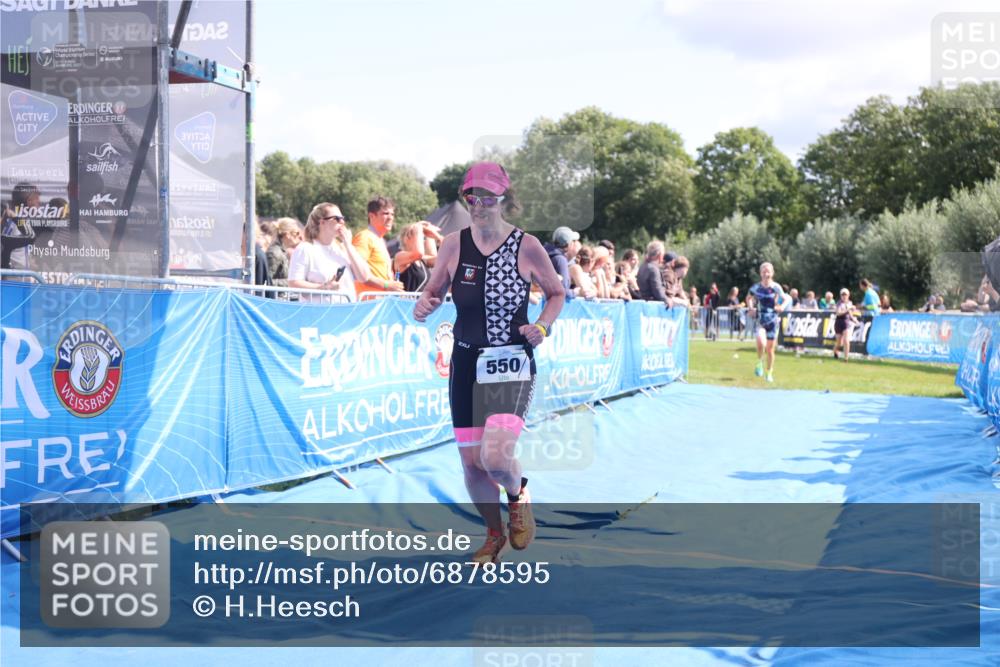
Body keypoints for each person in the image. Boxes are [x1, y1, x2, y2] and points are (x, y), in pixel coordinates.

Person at [412, 161, 565, 565]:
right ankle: (494, 534)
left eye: (487, 198)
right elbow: (433, 290)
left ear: (502, 200)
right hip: (466, 361)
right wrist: (424, 304)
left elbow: (556, 293)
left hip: (511, 360)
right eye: (472, 197)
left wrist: (543, 328)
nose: (478, 205)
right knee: (471, 462)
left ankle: (518, 495)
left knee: (495, 458)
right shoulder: (452, 243)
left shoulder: (526, 245)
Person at [289, 203, 371, 302]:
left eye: (342, 218)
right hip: (319, 314)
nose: (342, 222)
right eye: (337, 218)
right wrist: (324, 288)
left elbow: (364, 277)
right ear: (322, 222)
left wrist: (348, 245)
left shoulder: (342, 248)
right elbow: (294, 283)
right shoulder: (305, 249)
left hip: (346, 313)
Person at [353, 196, 405, 298]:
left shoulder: (380, 240)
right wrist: (387, 285)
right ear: (371, 216)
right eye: (385, 213)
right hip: (367, 305)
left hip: (380, 304)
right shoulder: (364, 237)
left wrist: (393, 287)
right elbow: (356, 271)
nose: (390, 218)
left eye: (392, 214)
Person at [748, 262, 787, 383]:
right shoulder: (755, 288)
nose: (766, 274)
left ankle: (769, 372)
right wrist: (751, 308)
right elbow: (749, 298)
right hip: (760, 319)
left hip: (773, 321)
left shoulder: (776, 287)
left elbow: (786, 298)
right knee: (761, 342)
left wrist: (782, 306)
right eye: (764, 272)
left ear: (772, 273)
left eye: (768, 272)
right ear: (760, 273)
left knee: (770, 350)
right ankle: (759, 362)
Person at [1, 182, 40, 270]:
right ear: (28, 201)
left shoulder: (20, 220)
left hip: (21, 275)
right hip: (14, 276)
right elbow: (30, 236)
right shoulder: (15, 223)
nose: (39, 201)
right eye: (36, 198)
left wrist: (30, 261)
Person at [393, 221, 441, 292]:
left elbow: (439, 259)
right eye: (420, 237)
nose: (422, 240)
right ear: (407, 238)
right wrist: (418, 228)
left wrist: (437, 237)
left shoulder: (421, 260)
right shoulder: (400, 256)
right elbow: (418, 253)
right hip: (406, 302)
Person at [545, 226, 580, 300]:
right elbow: (563, 291)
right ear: (569, 244)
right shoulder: (560, 260)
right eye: (572, 241)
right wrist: (574, 292)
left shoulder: (546, 254)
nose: (573, 243)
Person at [267, 217, 303, 288]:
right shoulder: (274, 253)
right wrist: (291, 282)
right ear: (287, 234)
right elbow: (266, 281)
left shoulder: (282, 251)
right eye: (297, 233)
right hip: (274, 298)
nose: (299, 236)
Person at [833, 288, 860, 361]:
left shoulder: (850, 303)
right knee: (839, 343)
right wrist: (848, 309)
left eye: (845, 295)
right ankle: (835, 352)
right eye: (842, 295)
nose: (844, 296)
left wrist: (854, 320)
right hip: (839, 322)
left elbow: (850, 314)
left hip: (846, 322)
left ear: (848, 295)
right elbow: (838, 313)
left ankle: (846, 358)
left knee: (846, 340)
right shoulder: (839, 303)